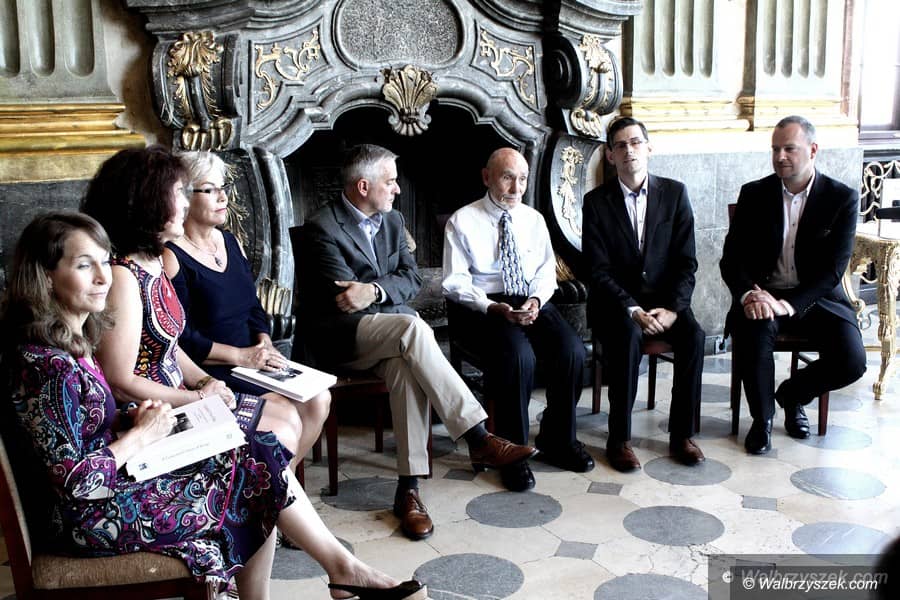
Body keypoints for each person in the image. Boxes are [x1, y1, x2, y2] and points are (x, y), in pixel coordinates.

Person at [0, 212, 426, 600]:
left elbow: (82, 428)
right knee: (256, 474)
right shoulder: (46, 365)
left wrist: (139, 421)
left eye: (103, 261)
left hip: (110, 489)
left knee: (256, 453)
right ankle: (343, 573)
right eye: (82, 265)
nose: (102, 277)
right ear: (46, 277)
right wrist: (140, 436)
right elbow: (74, 480)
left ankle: (341, 572)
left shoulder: (71, 345)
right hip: (88, 519)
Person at [296, 144, 536, 540]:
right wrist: (382, 294)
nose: (397, 189)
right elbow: (344, 302)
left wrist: (373, 290)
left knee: (406, 366)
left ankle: (408, 491)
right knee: (413, 328)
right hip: (340, 339)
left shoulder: (393, 220)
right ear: (363, 186)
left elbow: (413, 279)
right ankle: (478, 436)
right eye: (390, 182)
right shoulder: (322, 227)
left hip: (389, 337)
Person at [441, 148, 593, 492]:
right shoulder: (462, 221)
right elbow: (454, 282)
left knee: (571, 351)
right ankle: (512, 452)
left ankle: (558, 438)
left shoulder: (533, 219)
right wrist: (493, 307)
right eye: (507, 177)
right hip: (486, 306)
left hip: (530, 298)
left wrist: (536, 300)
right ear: (487, 177)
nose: (515, 188)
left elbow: (546, 271)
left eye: (522, 179)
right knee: (519, 357)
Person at [162, 150, 328, 463]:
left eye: (224, 187)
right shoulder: (171, 256)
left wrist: (265, 343)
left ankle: (283, 479)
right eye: (210, 189)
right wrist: (241, 356)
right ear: (183, 197)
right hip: (212, 367)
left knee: (320, 399)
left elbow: (253, 307)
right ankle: (279, 484)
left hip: (254, 359)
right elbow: (183, 338)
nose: (223, 197)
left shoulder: (230, 242)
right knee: (287, 411)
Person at [720, 115, 866, 454]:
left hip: (816, 299)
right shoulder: (754, 194)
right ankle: (762, 420)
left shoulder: (841, 198)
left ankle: (792, 395)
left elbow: (832, 271)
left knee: (852, 360)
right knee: (755, 332)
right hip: (763, 294)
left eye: (789, 149)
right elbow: (731, 260)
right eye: (775, 149)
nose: (780, 156)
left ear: (813, 150)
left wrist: (788, 304)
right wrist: (749, 295)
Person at [582, 116, 706, 473]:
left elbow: (687, 262)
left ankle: (682, 435)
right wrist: (632, 309)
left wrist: (673, 309)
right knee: (627, 338)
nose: (629, 151)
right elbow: (597, 271)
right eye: (620, 145)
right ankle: (619, 439)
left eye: (635, 142)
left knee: (694, 337)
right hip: (617, 305)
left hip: (666, 302)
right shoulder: (596, 202)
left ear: (649, 148)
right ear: (610, 156)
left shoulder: (675, 194)